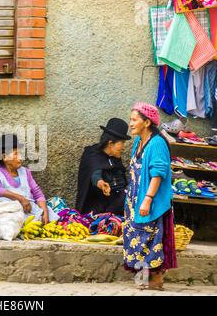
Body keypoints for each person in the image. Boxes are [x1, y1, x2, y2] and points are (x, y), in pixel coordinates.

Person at [123, 102, 177, 290]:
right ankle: (145, 277)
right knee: (137, 236)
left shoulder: (157, 144)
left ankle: (156, 279)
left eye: (134, 120)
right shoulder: (139, 141)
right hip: (135, 199)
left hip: (150, 200)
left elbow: (158, 173)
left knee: (151, 237)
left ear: (146, 123)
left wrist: (147, 199)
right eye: (131, 119)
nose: (130, 123)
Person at [0, 134, 59, 224]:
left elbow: (38, 194)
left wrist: (45, 212)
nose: (20, 158)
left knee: (48, 211)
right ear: (4, 157)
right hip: (8, 214)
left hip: (28, 211)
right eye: (16, 154)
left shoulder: (25, 172)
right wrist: (20, 198)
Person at [76, 118, 131, 215]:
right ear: (110, 143)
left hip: (118, 202)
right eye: (122, 143)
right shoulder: (92, 155)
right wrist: (101, 184)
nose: (123, 148)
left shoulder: (115, 156)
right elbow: (94, 175)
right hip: (99, 206)